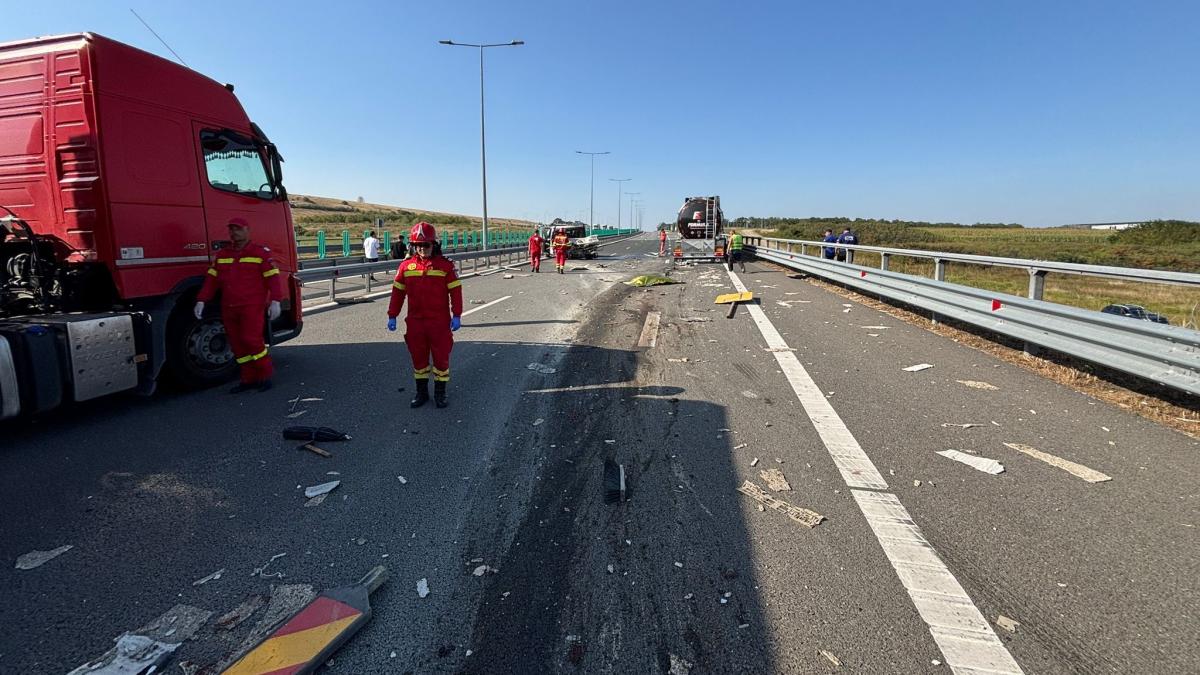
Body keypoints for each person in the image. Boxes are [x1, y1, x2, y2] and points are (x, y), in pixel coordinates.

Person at [193, 218, 283, 393]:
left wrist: (276, 301)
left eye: (238, 229)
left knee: (252, 340)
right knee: (236, 344)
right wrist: (201, 300)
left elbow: (273, 277)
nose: (234, 232)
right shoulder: (223, 255)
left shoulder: (260, 253)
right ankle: (248, 379)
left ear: (247, 230)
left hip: (251, 306)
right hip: (229, 307)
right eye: (232, 229)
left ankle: (264, 375)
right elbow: (212, 280)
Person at [387, 222, 463, 408]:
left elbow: (456, 291)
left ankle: (440, 394)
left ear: (434, 245)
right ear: (413, 246)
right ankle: (421, 393)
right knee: (418, 359)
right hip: (415, 323)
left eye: (426, 245)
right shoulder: (406, 267)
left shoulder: (445, 266)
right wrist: (392, 314)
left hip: (439, 322)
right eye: (418, 245)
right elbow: (398, 293)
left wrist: (457, 314)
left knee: (441, 359)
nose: (422, 249)